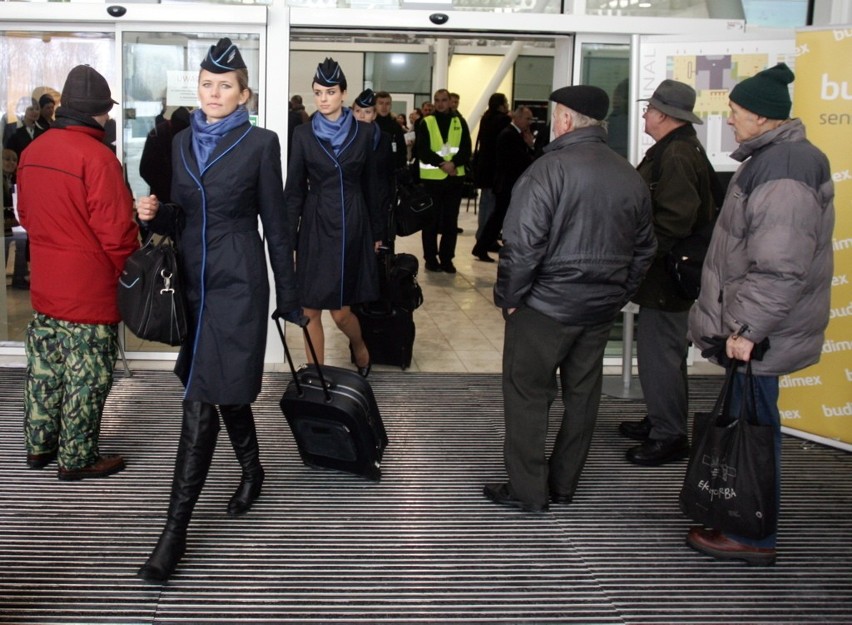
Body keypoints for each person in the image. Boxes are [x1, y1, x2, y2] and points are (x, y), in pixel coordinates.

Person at [135, 38, 299, 583]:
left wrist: (290, 295)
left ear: (243, 92)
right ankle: (253, 469)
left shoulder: (261, 143)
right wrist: (154, 214)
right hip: (193, 283)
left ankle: (173, 533)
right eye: (207, 84)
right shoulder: (180, 140)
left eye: (225, 86)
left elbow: (275, 224)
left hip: (238, 283)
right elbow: (180, 216)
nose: (214, 93)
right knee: (221, 385)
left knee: (200, 398)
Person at [686, 63, 834, 566]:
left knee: (754, 432)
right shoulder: (777, 158)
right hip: (761, 327)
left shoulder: (785, 167)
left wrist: (747, 329)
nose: (729, 120)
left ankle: (752, 536)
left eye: (734, 112)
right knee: (750, 425)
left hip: (762, 331)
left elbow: (780, 266)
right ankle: (738, 517)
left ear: (760, 115)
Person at [485, 85, 655, 513]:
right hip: (598, 310)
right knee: (582, 397)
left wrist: (509, 297)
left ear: (564, 120)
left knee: (528, 395)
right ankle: (563, 486)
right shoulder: (628, 172)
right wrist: (619, 292)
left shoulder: (548, 170)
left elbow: (522, 245)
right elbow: (645, 248)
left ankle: (527, 490)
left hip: (543, 308)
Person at [16, 65, 139, 480]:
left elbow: (26, 215)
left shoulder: (34, 152)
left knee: (45, 373)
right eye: (106, 112)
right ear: (98, 114)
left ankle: (39, 447)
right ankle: (78, 457)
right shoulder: (98, 158)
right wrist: (132, 275)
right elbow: (117, 232)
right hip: (89, 294)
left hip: (46, 288)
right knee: (87, 378)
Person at [618, 80, 718, 466]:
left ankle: (669, 435)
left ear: (662, 115)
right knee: (666, 354)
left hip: (666, 274)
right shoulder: (678, 148)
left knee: (660, 354)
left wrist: (640, 256)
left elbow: (675, 219)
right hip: (668, 271)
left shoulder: (675, 154)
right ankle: (663, 417)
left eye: (648, 110)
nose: (644, 115)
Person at [285, 58, 383, 375]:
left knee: (341, 313)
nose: (323, 98)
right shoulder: (302, 135)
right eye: (318, 92)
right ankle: (316, 378)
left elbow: (373, 187)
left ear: (343, 94)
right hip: (315, 223)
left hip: (353, 223)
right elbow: (295, 191)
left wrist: (378, 234)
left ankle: (358, 345)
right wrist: (288, 240)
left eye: (330, 92)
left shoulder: (366, 134)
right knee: (309, 309)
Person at [415, 88, 472, 273]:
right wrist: (442, 163)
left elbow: (465, 148)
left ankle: (447, 258)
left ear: (450, 101)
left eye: (444, 100)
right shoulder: (427, 122)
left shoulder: (459, 122)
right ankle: (431, 259)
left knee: (450, 222)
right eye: (437, 100)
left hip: (454, 180)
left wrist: (454, 163)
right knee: (430, 222)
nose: (440, 103)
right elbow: (422, 150)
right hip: (433, 180)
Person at [473, 105, 535, 263]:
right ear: (518, 118)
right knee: (497, 218)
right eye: (527, 118)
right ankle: (482, 247)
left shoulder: (513, 134)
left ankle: (483, 246)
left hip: (508, 184)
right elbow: (520, 161)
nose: (529, 122)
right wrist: (531, 147)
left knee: (499, 218)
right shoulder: (509, 134)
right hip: (506, 184)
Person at [471, 93, 510, 261]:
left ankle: (483, 236)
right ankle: (486, 238)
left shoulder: (486, 118)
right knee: (492, 206)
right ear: (501, 105)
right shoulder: (502, 121)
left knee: (485, 203)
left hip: (484, 168)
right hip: (494, 170)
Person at [352, 88, 394, 244]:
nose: (362, 116)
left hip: (378, 200)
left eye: (367, 112)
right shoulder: (343, 139)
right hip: (353, 200)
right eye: (358, 111)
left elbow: (389, 171)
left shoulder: (384, 139)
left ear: (374, 115)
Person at [138, 106, 191, 203]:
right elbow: (146, 169)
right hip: (164, 197)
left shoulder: (158, 132)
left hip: (170, 195)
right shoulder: (157, 134)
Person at [374, 91, 407, 170]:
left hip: (392, 172)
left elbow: (402, 150)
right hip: (372, 172)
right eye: (381, 103)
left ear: (391, 105)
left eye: (387, 104)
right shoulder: (370, 126)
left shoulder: (396, 127)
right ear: (375, 105)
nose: (384, 107)